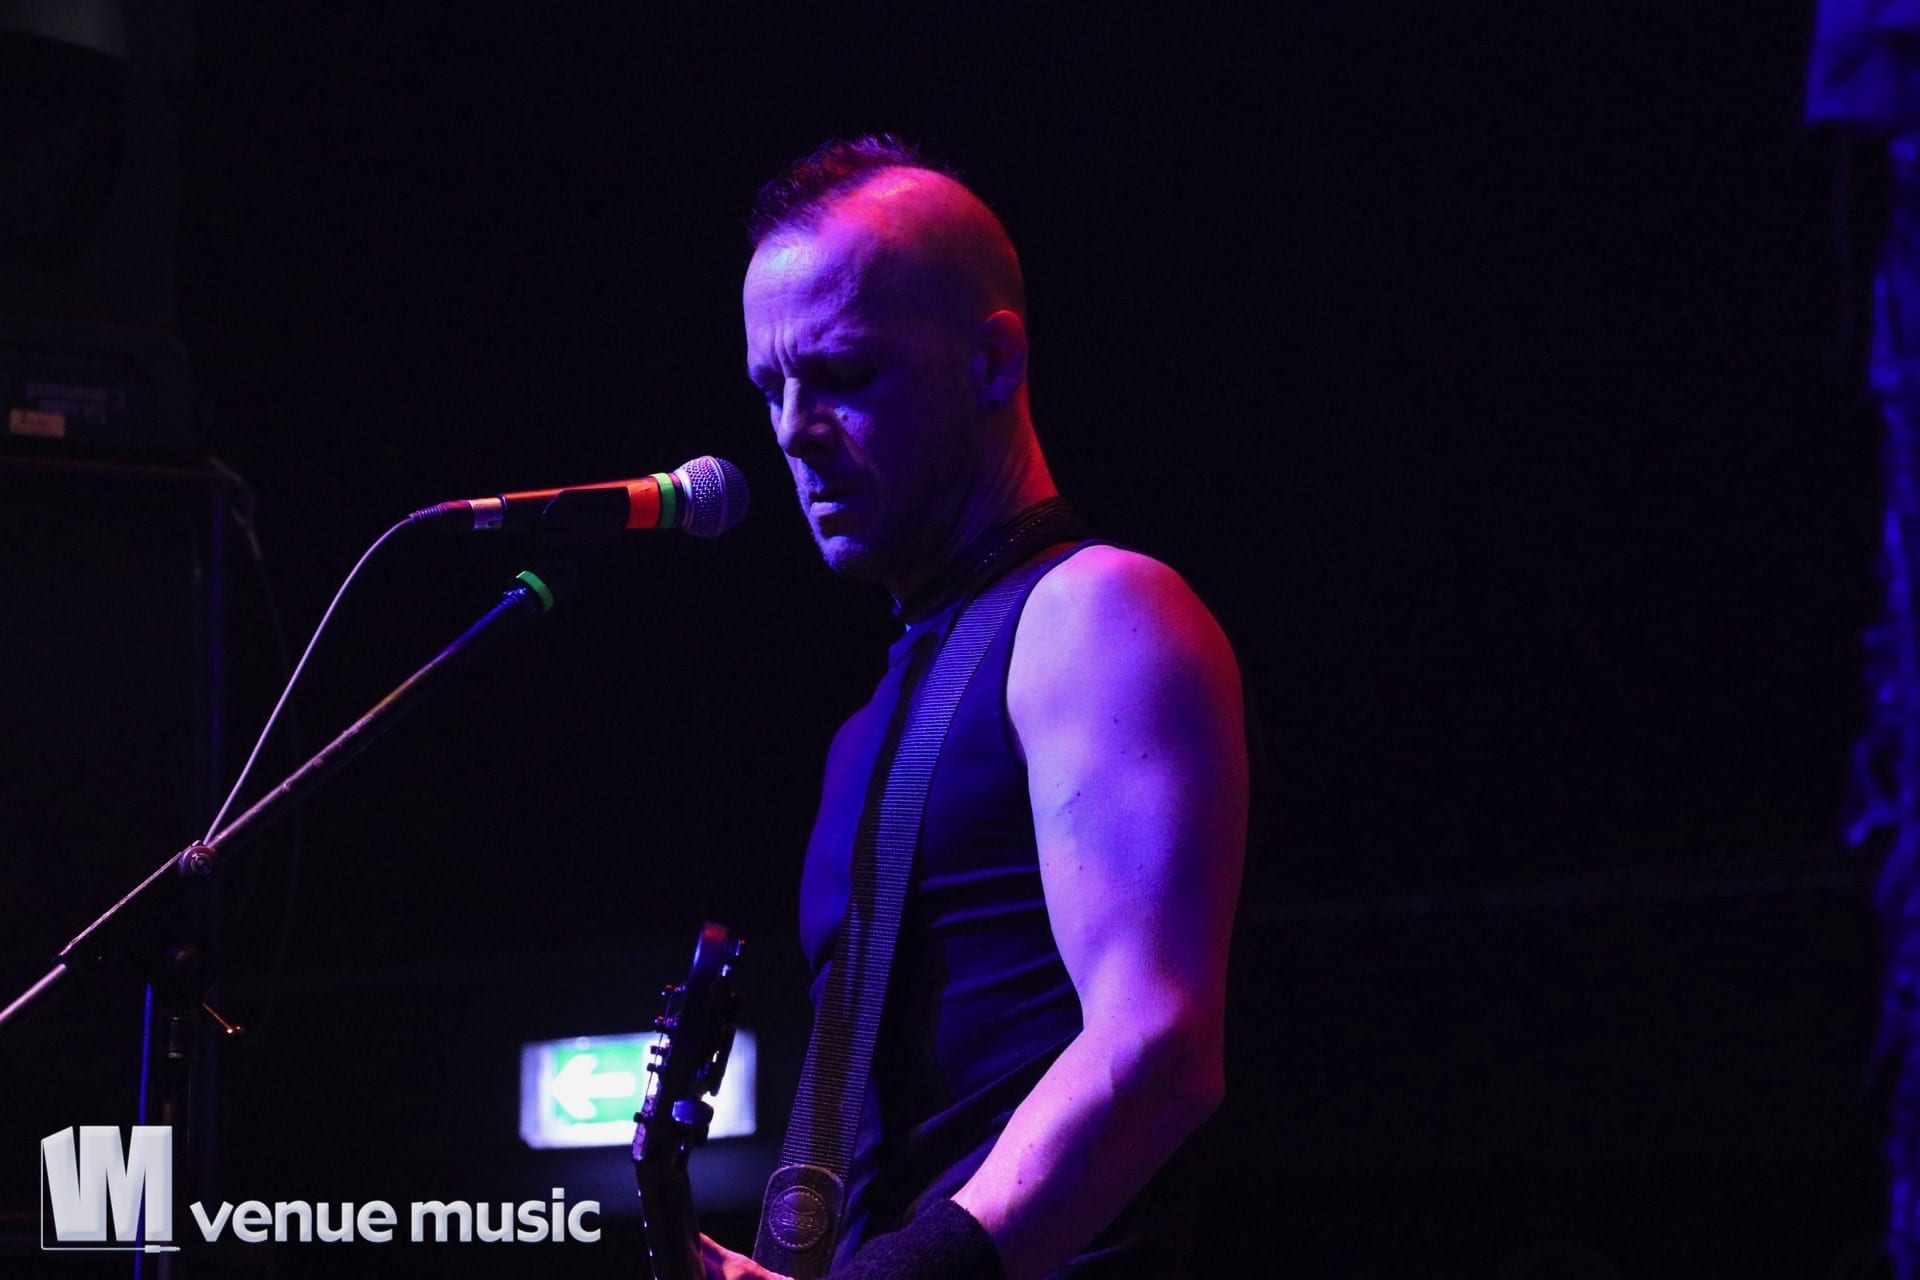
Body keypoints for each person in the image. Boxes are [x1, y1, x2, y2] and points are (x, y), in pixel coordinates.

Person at [704, 135, 1247, 1280]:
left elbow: (1158, 1046)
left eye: (845, 372)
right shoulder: (875, 716)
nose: (793, 427)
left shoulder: (1098, 611)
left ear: (994, 363)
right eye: (769, 388)